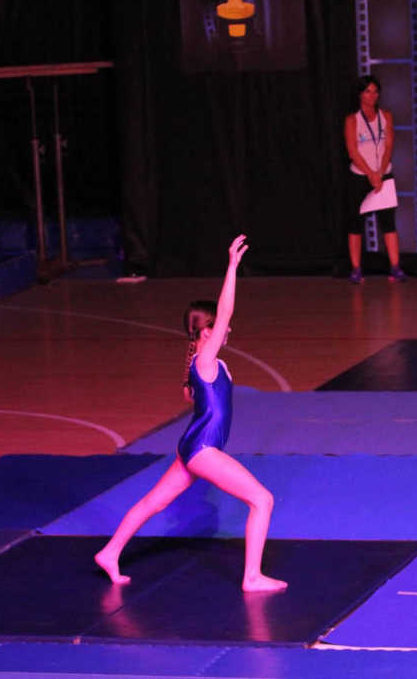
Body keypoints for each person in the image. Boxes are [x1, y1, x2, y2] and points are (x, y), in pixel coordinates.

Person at [95, 235, 287, 592]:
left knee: (153, 502)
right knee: (262, 500)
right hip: (203, 450)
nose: (229, 329)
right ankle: (252, 576)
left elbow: (200, 399)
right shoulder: (205, 360)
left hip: (192, 446)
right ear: (208, 332)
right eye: (222, 327)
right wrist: (232, 266)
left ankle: (110, 552)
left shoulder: (205, 365)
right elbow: (226, 311)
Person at [344, 75, 405, 284]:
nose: (372, 96)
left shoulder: (386, 116)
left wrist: (380, 173)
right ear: (360, 94)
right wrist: (370, 174)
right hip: (360, 176)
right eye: (368, 91)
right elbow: (352, 151)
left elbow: (388, 145)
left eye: (375, 92)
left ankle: (395, 267)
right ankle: (356, 269)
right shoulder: (352, 120)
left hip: (383, 174)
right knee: (355, 223)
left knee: (388, 222)